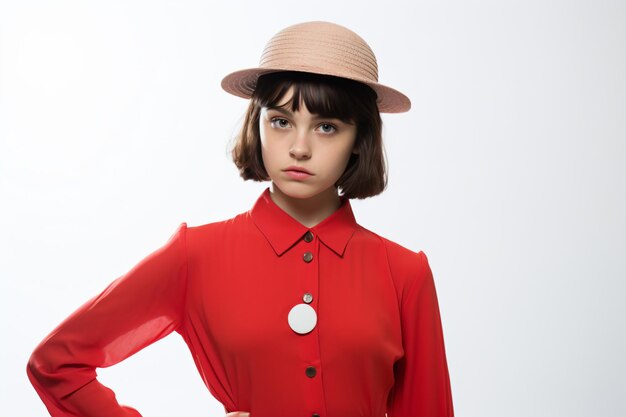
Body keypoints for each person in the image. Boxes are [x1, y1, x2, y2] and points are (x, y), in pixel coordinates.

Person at [27, 21, 454, 417]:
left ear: (359, 138)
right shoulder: (197, 254)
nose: (299, 148)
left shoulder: (405, 273)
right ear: (258, 124)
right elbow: (57, 363)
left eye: (326, 127)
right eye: (281, 121)